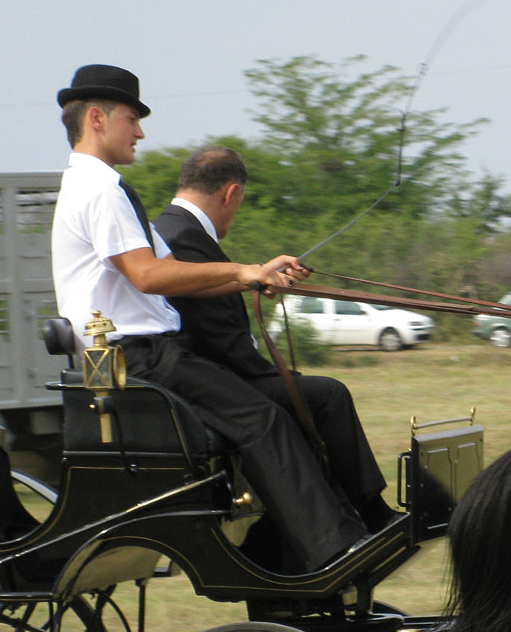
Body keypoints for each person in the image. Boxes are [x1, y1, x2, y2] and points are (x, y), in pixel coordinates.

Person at [49, 63, 368, 572]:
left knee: (275, 412)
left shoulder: (98, 187)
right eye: (133, 119)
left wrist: (254, 275)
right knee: (264, 421)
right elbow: (148, 276)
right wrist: (243, 269)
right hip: (136, 359)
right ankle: (334, 550)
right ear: (96, 118)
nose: (140, 132)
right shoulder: (99, 190)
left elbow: (172, 271)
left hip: (137, 355)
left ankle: (309, 544)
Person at [153, 148, 393, 530]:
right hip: (217, 380)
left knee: (311, 392)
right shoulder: (184, 237)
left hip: (203, 372)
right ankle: (366, 514)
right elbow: (215, 335)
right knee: (327, 396)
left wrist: (259, 274)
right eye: (239, 202)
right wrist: (271, 376)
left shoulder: (172, 229)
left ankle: (348, 512)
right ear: (231, 193)